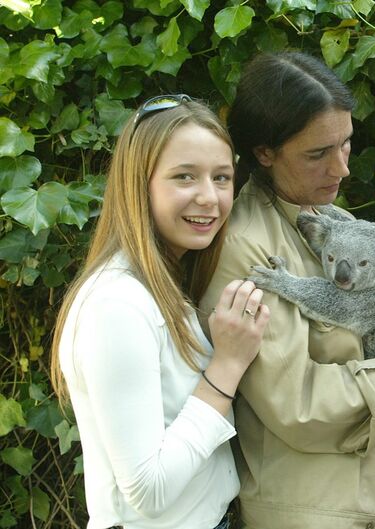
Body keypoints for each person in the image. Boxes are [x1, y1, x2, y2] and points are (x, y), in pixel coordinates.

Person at [198, 51, 375, 529]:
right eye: (318, 154)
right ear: (265, 153)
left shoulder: (333, 219)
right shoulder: (244, 248)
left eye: (346, 144)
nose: (342, 168)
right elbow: (297, 407)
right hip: (314, 512)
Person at [50, 95, 270, 529]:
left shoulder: (163, 286)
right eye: (184, 176)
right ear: (139, 185)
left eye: (221, 177)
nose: (209, 197)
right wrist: (226, 366)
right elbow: (147, 490)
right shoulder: (116, 305)